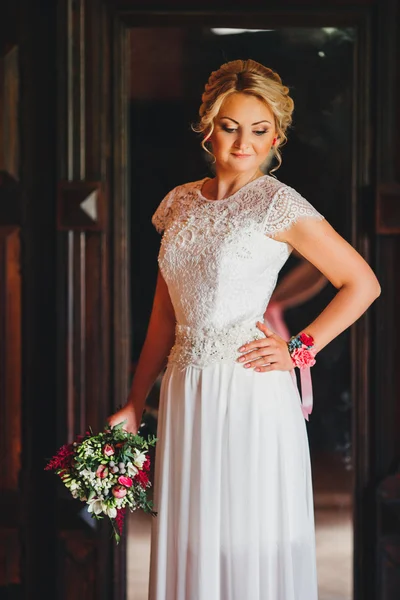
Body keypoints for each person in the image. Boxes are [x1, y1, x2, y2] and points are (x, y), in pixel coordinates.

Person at [108, 59, 380, 600]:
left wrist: (299, 348)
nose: (243, 142)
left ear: (275, 136)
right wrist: (136, 401)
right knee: (195, 535)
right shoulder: (179, 202)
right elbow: (164, 317)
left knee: (246, 533)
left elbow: (361, 283)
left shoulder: (278, 203)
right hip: (187, 389)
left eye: (258, 130)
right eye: (231, 126)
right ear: (208, 126)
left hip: (249, 387)